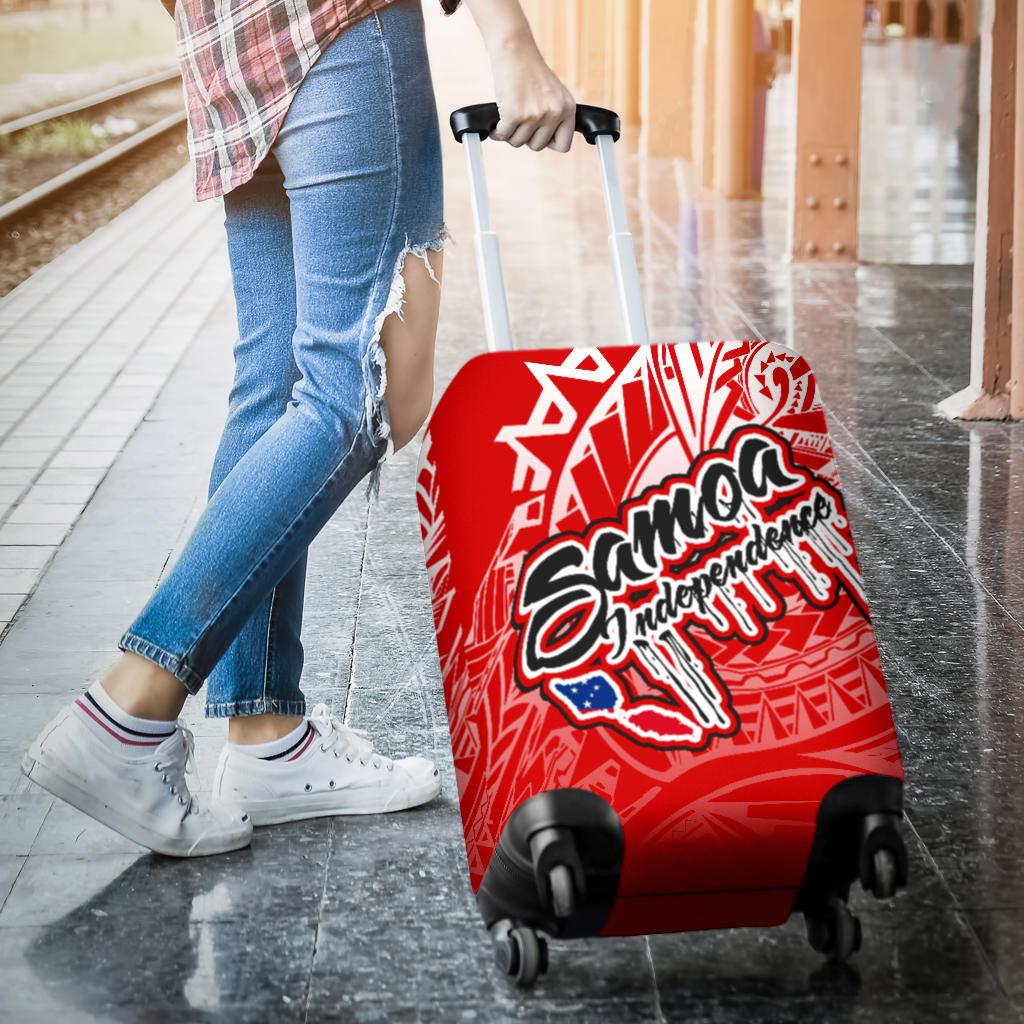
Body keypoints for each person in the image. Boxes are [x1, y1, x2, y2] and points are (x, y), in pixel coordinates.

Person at [22, 0, 576, 857]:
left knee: (276, 383)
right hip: (341, 28)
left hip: (228, 52)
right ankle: (128, 710)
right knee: (360, 390)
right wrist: (512, 43)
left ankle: (265, 735)